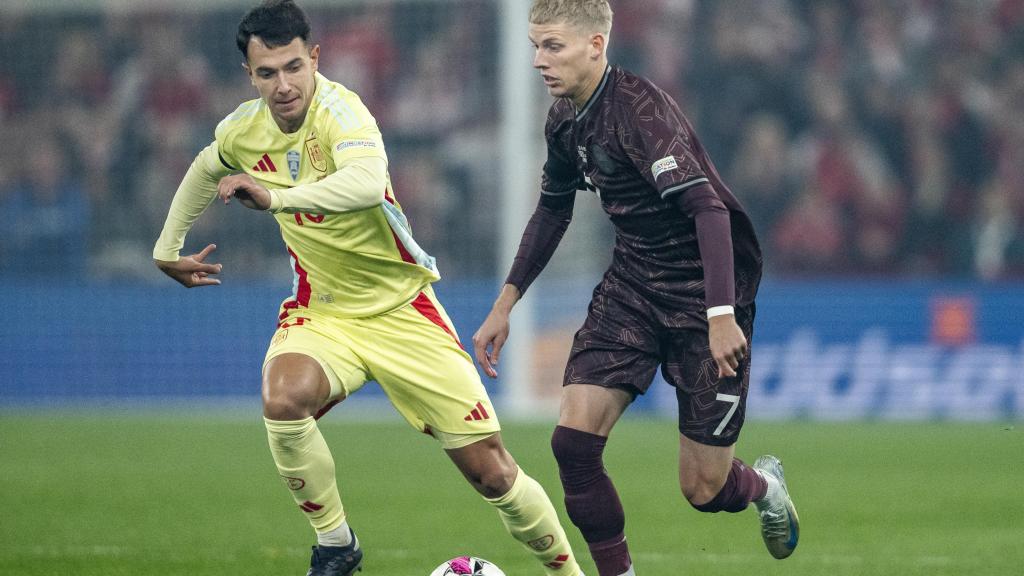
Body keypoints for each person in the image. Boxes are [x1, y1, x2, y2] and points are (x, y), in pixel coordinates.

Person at [152, 2, 583, 575]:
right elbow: (207, 167)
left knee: (493, 472)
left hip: (403, 309)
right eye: (267, 73)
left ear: (315, 58)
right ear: (248, 75)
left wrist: (276, 197)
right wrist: (167, 247)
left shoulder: (343, 114)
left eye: (293, 67)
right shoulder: (241, 130)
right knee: (282, 400)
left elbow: (362, 184)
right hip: (323, 313)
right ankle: (336, 544)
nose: (283, 85)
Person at [472, 1, 800, 575]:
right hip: (633, 288)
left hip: (704, 299)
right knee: (572, 445)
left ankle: (764, 485)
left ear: (596, 46)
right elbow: (552, 211)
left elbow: (709, 211)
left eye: (553, 47)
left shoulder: (641, 114)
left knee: (703, 487)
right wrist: (506, 303)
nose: (537, 61)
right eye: (534, 46)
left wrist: (721, 313)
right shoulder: (563, 119)